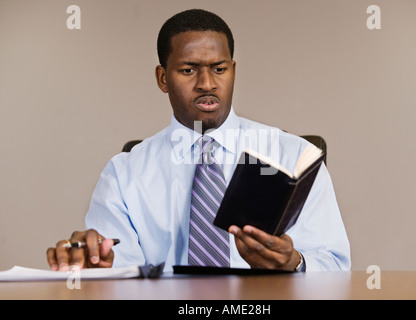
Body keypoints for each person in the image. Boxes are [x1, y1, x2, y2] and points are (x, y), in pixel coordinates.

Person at [46, 9, 351, 272]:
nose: (207, 84)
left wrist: (294, 263)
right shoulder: (123, 173)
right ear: (163, 78)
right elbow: (118, 270)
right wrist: (98, 267)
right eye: (188, 70)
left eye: (219, 69)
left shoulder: (294, 156)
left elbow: (337, 266)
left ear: (233, 71)